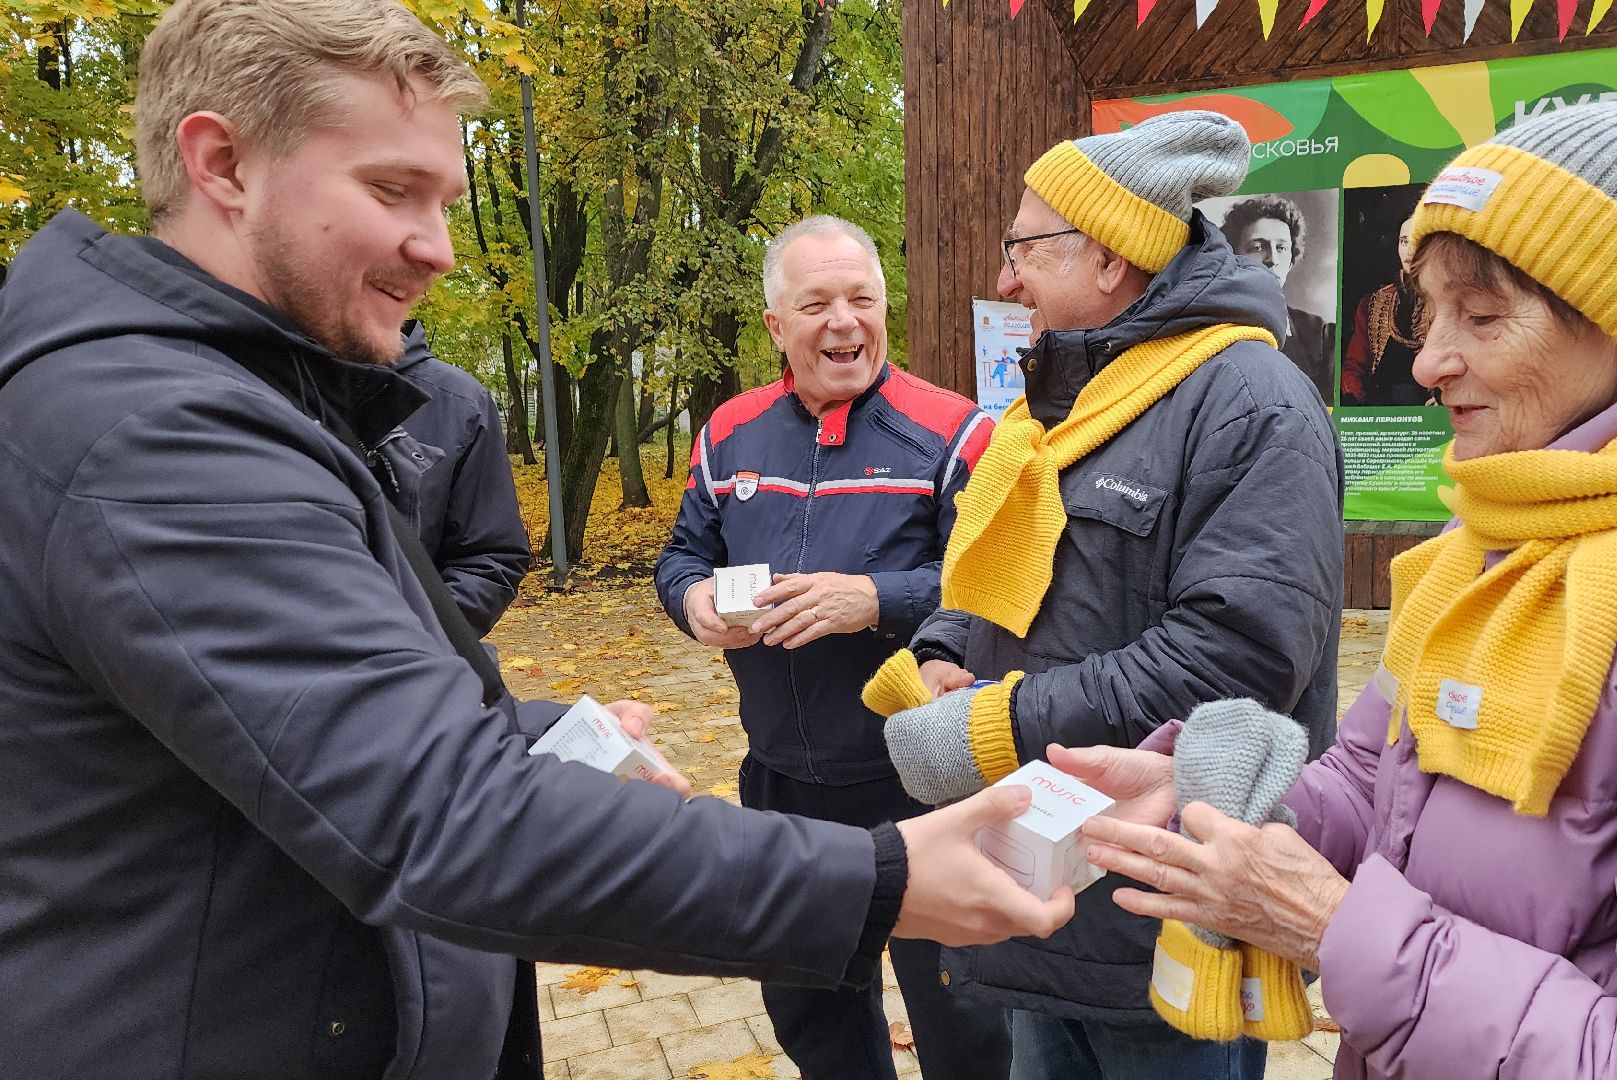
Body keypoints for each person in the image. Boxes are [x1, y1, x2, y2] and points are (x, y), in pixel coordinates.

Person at [0, 4, 1078, 1078]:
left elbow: (278, 716)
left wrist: (526, 729)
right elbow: (444, 814)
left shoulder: (955, 427)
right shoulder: (165, 436)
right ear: (221, 162)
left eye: (446, 201)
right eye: (391, 190)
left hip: (897, 765)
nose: (440, 248)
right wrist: (871, 880)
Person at [1069, 72, 1617, 1079]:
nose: (1426, 361)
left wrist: (1339, 928)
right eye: (1430, 313)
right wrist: (1235, 808)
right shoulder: (1504, 534)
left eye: (1480, 315)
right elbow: (1383, 783)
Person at [867, 111, 1344, 1079]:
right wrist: (941, 648)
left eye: (1025, 249)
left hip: (1156, 904)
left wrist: (992, 728)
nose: (1005, 280)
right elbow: (996, 572)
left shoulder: (1250, 401)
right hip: (1042, 896)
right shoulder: (1063, 400)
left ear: (1111, 260)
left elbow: (1235, 660)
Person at [654, 215, 1008, 1080]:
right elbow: (681, 555)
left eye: (861, 299)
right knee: (816, 1023)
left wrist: (876, 601)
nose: (844, 322)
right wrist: (691, 598)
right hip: (780, 782)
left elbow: (995, 585)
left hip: (922, 782)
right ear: (777, 324)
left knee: (964, 1028)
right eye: (816, 303)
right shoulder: (730, 432)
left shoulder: (956, 432)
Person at [376, 319, 530, 635]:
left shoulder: (460, 403)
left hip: (411, 669)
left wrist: (415, 639)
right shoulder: (257, 390)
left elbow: (489, 558)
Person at [1220, 193, 1337, 405]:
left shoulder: (1321, 335)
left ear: (1291, 261)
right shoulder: (1213, 331)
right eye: (1258, 247)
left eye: (1281, 248)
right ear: (1234, 259)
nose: (1272, 260)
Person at [1339, 212, 1427, 406]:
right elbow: (1353, 367)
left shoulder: (1449, 302)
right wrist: (1359, 399)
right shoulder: (1373, 303)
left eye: (1418, 241)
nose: (1410, 251)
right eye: (1404, 241)